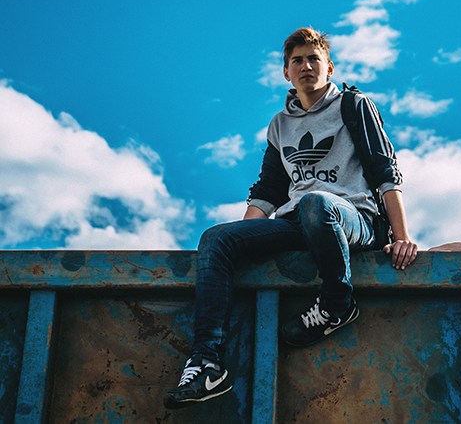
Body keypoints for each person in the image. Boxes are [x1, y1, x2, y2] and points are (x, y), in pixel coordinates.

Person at [164, 27, 417, 409]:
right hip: (301, 221)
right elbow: (267, 190)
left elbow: (385, 170)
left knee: (318, 203)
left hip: (352, 219)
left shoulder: (353, 105)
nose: (305, 66)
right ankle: (207, 363)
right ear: (286, 72)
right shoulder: (280, 125)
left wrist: (401, 236)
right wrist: (243, 235)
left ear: (329, 67)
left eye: (313, 59)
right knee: (217, 238)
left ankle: (337, 303)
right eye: (296, 60)